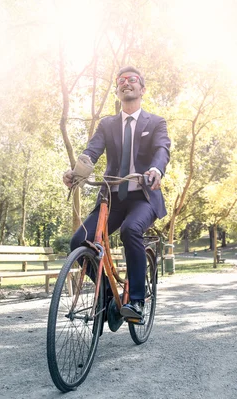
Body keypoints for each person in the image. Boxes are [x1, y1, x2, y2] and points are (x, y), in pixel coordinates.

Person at [63, 66, 171, 319]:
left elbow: (162, 149)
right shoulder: (108, 124)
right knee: (78, 241)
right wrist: (76, 172)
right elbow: (92, 151)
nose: (126, 83)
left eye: (132, 80)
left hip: (142, 197)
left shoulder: (156, 122)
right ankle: (107, 295)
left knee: (130, 229)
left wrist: (156, 169)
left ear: (142, 89)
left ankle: (136, 301)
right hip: (111, 198)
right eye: (121, 81)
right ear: (118, 90)